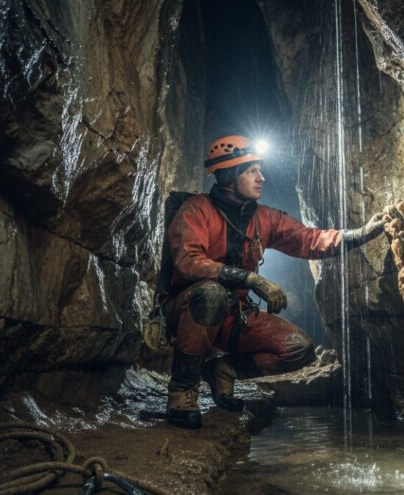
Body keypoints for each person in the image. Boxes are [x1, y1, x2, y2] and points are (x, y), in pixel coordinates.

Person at [164, 135, 385, 429]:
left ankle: (224, 369)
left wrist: (362, 233)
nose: (261, 177)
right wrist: (250, 278)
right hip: (188, 312)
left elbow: (309, 239)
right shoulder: (196, 210)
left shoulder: (264, 218)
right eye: (252, 171)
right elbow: (188, 262)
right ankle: (182, 391)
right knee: (211, 294)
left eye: (260, 170)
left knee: (299, 348)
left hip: (234, 317)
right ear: (230, 176)